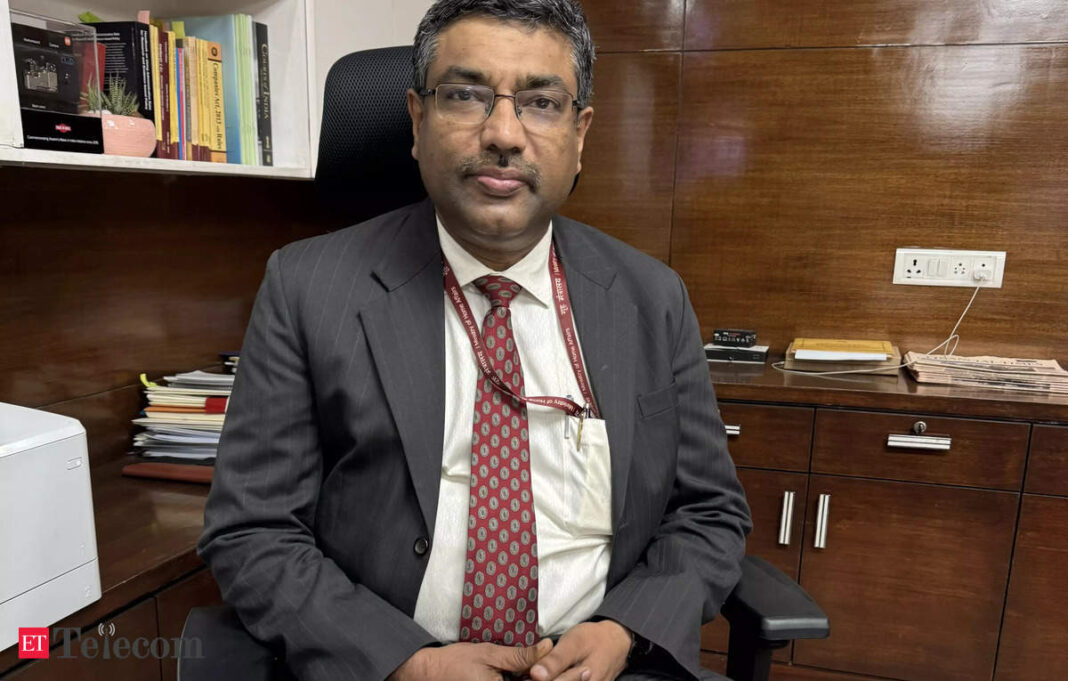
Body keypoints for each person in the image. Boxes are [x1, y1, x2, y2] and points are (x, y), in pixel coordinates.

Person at [197, 1, 752, 680]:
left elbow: (710, 511)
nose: (503, 134)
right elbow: (251, 529)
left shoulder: (650, 298)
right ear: (417, 119)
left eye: (541, 103)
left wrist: (625, 629)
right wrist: (405, 661)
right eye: (465, 95)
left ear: (580, 134)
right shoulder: (309, 288)